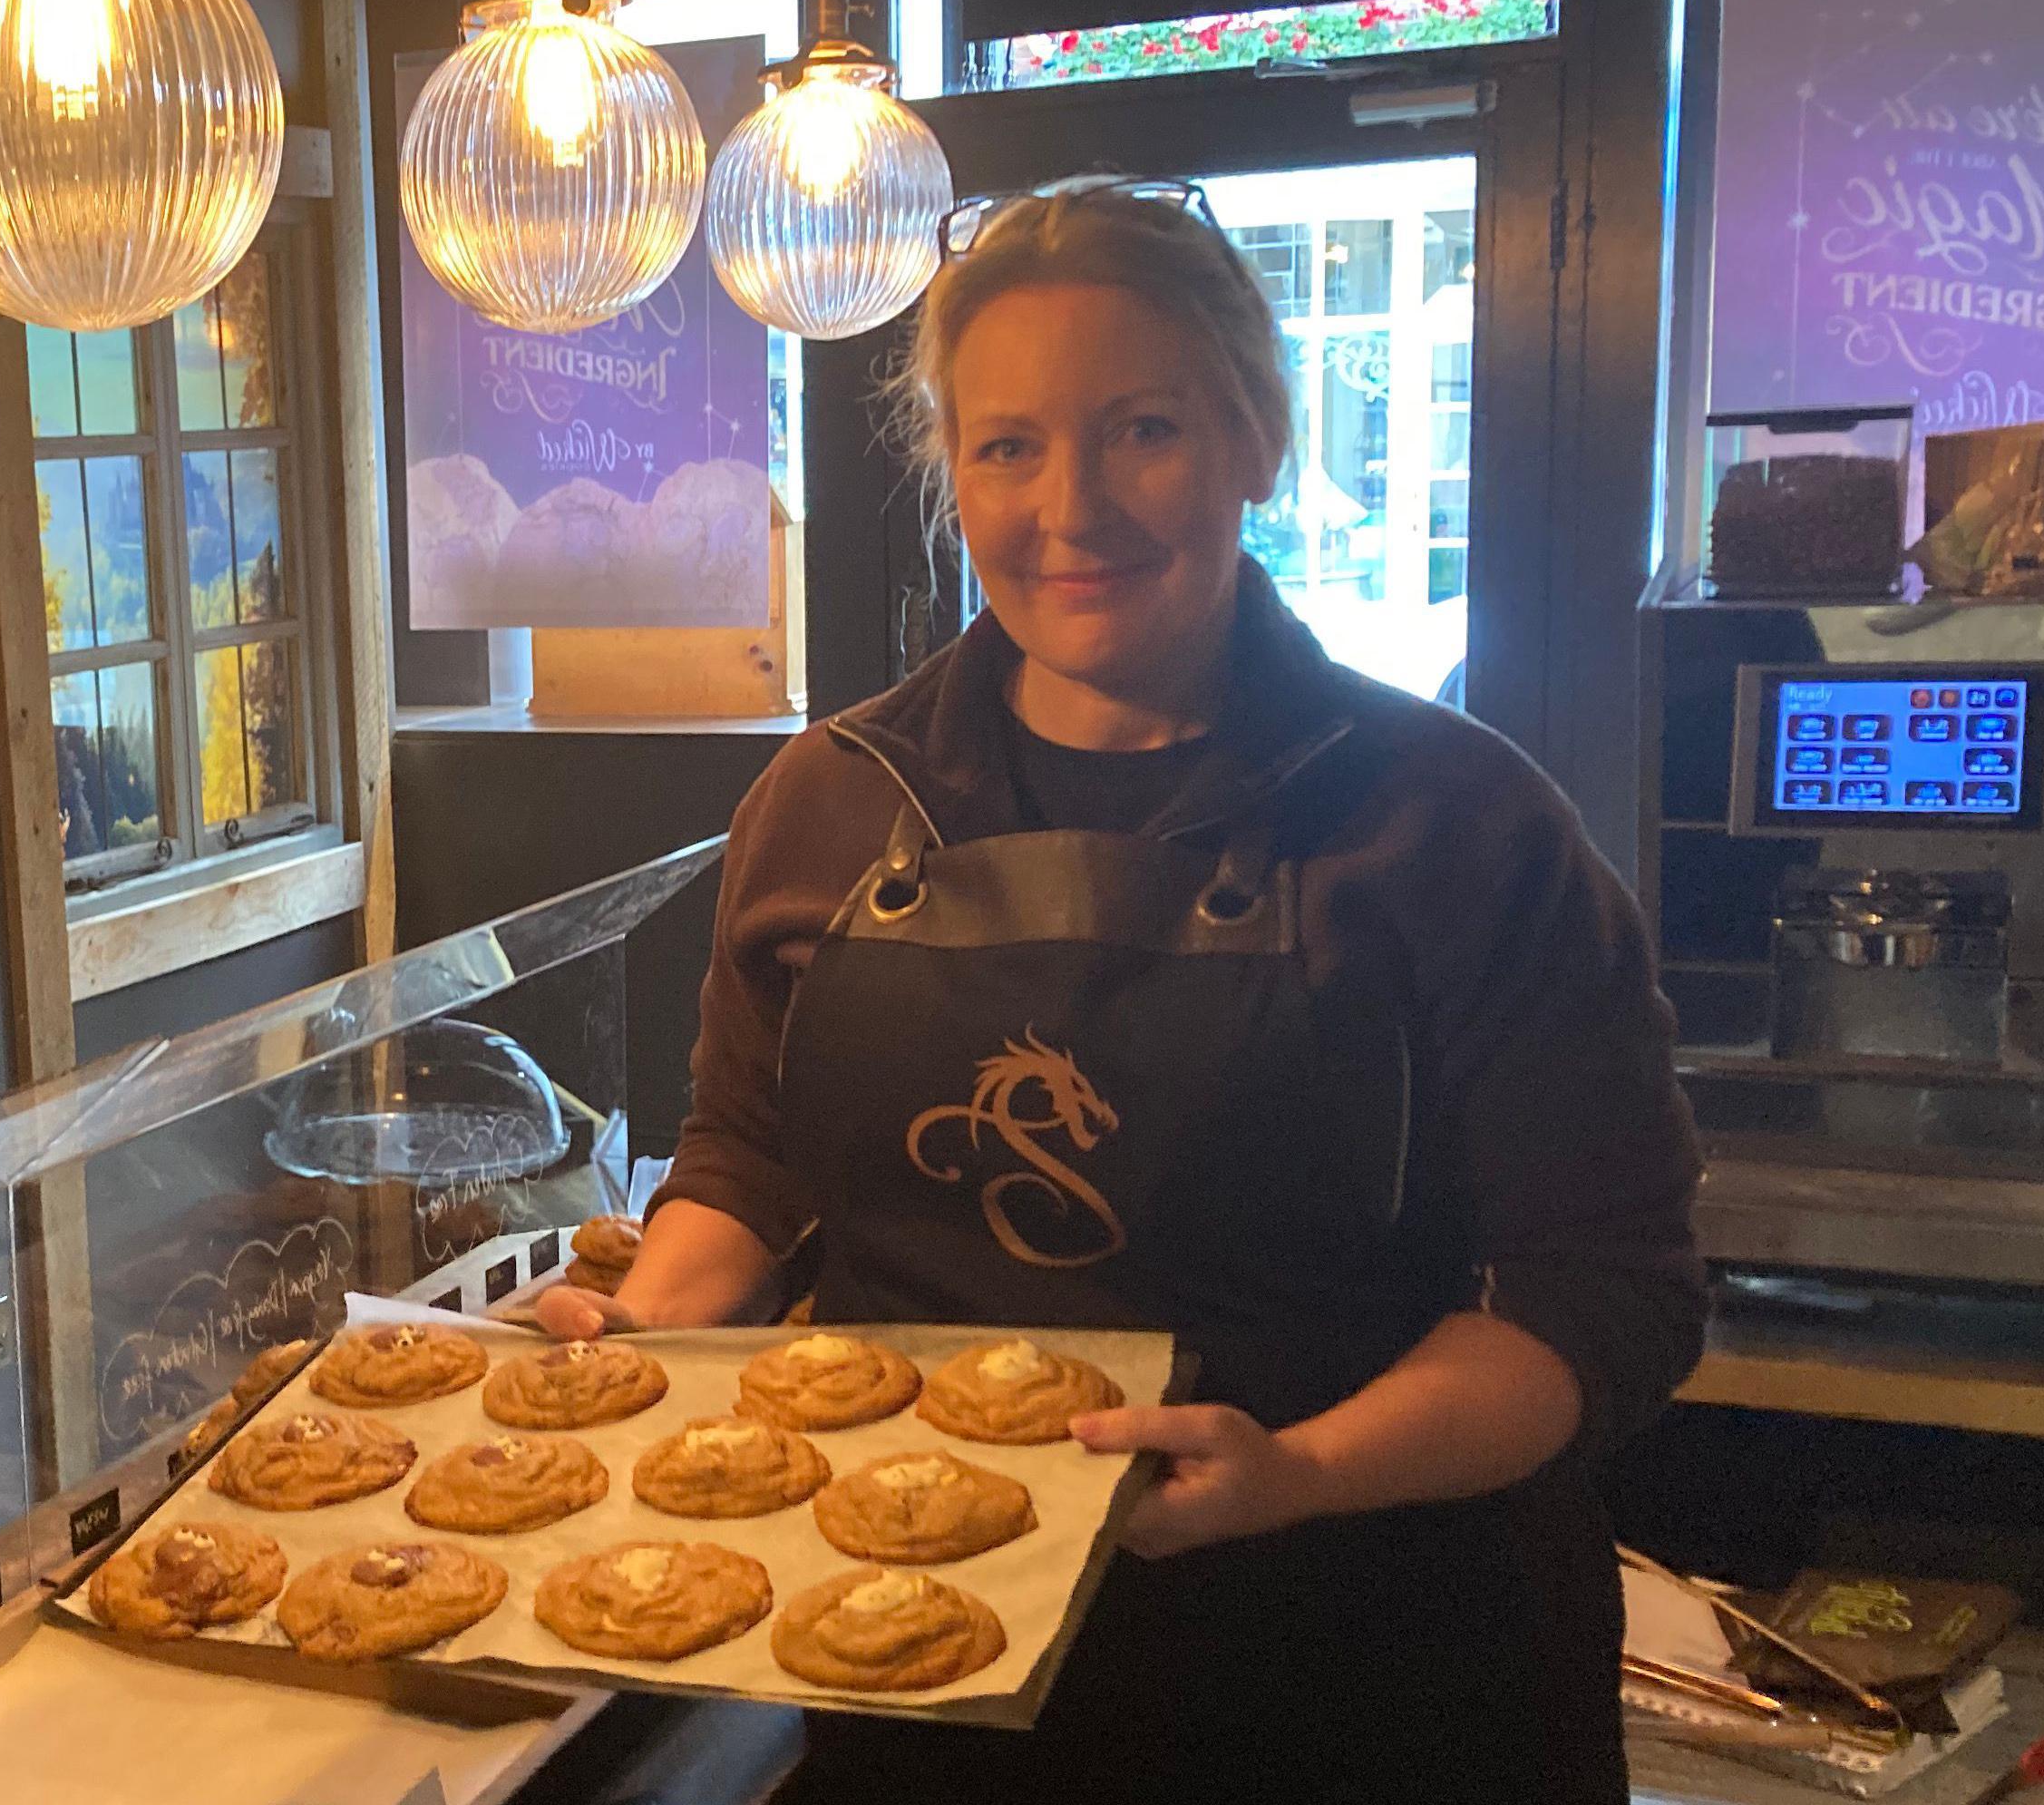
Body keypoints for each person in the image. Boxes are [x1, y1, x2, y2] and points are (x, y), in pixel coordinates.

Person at [538, 177, 1704, 1801]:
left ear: (1257, 444)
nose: (1070, 506)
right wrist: (636, 1332)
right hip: (920, 1676)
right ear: (953, 474)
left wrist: (1298, 1471)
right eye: (1008, 445)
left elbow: (1604, 1289)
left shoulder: (1455, 822)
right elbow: (749, 1156)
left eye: (1143, 428)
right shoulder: (832, 798)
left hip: (1378, 1675)